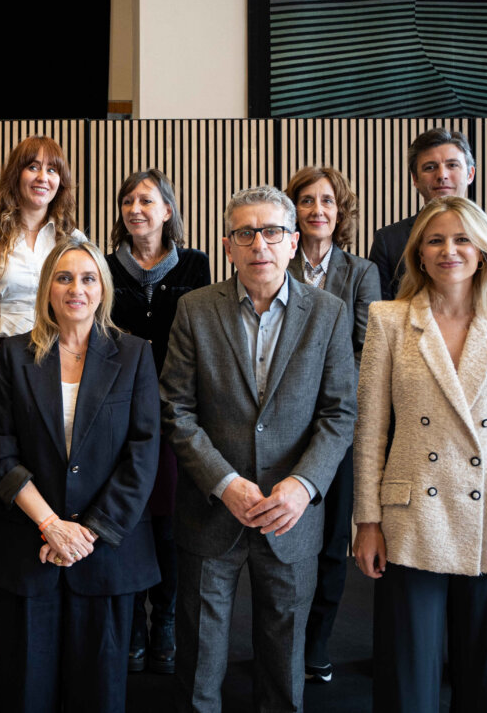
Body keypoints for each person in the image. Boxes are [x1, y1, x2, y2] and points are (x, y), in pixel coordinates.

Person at [352, 195, 487, 713]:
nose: (449, 250)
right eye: (435, 240)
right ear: (418, 253)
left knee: (485, 683)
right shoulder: (389, 319)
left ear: (483, 251)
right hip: (410, 516)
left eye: (463, 239)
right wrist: (367, 522)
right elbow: (370, 431)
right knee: (406, 684)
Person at [162, 185, 356, 713]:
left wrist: (304, 485)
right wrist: (224, 483)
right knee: (199, 662)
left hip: (292, 514)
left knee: (284, 660)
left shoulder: (329, 313)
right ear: (228, 246)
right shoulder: (195, 309)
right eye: (245, 233)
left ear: (293, 241)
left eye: (271, 231)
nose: (259, 244)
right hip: (211, 510)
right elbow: (176, 409)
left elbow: (340, 413)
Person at [0, 236, 161, 713]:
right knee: (27, 692)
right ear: (48, 288)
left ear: (103, 289)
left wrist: (87, 533)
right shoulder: (14, 355)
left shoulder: (134, 354)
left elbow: (143, 455)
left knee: (97, 695)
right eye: (64, 278)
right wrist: (51, 525)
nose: (76, 289)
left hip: (105, 553)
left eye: (87, 279)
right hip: (30, 547)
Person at [0, 134, 82, 663]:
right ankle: (1, 621)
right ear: (16, 175)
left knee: (44, 482)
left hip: (51, 368)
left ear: (61, 181)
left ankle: (38, 622)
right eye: (32, 167)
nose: (42, 177)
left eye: (52, 170)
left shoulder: (72, 238)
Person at [105, 168, 210, 675]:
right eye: (127, 201)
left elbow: (204, 336)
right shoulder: (106, 267)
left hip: (175, 410)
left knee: (168, 523)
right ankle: (131, 624)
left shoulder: (195, 264)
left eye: (146, 200)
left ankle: (164, 618)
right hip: (117, 410)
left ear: (167, 210)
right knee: (126, 518)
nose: (135, 209)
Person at [283, 165, 380, 684]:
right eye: (306, 200)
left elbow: (366, 350)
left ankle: (316, 642)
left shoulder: (361, 273)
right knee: (283, 541)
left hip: (338, 426)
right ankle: (283, 641)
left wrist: (323, 392)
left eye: (327, 201)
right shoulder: (276, 260)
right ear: (292, 210)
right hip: (281, 423)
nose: (317, 209)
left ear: (340, 212)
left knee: (331, 541)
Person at [368, 127, 487, 302]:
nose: (442, 175)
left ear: (470, 174)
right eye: (430, 167)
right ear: (415, 179)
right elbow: (379, 314)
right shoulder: (388, 240)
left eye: (452, 165)